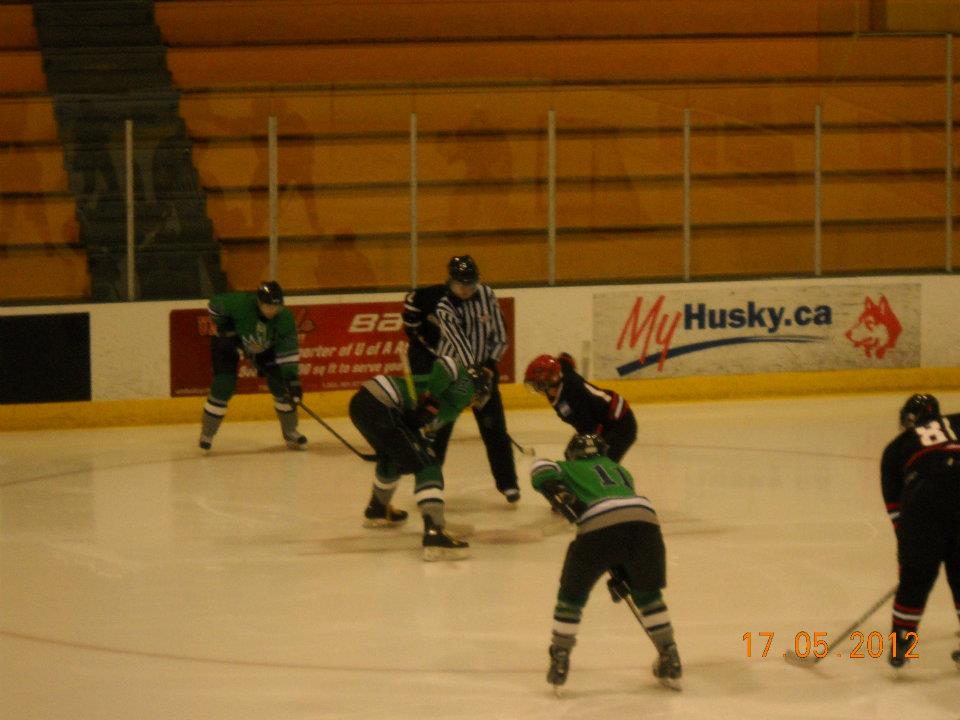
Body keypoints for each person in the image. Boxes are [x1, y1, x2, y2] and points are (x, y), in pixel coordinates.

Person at [530, 433, 682, 691]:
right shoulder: (621, 470)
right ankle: (670, 654)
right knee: (647, 594)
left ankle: (560, 656)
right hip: (645, 522)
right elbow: (622, 520)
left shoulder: (568, 467)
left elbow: (540, 467)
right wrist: (621, 569)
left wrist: (556, 490)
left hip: (598, 524)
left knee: (571, 596)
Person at [402, 254, 520, 503]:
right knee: (438, 431)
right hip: (451, 376)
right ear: (450, 282)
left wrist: (488, 366)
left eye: (470, 283)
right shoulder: (444, 306)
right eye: (460, 284)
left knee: (495, 429)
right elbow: (458, 342)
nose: (466, 289)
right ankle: (429, 484)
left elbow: (500, 335)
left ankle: (508, 483)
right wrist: (472, 375)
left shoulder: (487, 295)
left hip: (484, 373)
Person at [349, 355, 489, 561]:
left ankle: (377, 509)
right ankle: (435, 532)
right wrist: (430, 395)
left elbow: (423, 430)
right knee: (428, 465)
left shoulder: (450, 411)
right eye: (478, 396)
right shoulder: (463, 386)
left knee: (394, 458)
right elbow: (446, 363)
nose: (474, 402)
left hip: (364, 404)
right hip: (382, 404)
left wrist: (416, 431)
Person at [880, 393, 960, 669]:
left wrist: (912, 553)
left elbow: (895, 507)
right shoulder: (957, 422)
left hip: (924, 501)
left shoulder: (896, 447)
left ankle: (902, 643)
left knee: (916, 577)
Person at [198, 280, 305, 452]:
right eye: (268, 306)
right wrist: (227, 328)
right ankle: (207, 433)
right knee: (224, 384)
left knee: (282, 386)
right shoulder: (239, 303)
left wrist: (292, 379)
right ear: (259, 302)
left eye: (276, 307)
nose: (272, 311)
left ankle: (291, 431)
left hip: (264, 347)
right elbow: (213, 306)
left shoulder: (284, 318)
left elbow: (288, 350)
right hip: (227, 342)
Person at [524, 352, 637, 462]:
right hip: (605, 418)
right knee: (574, 455)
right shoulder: (561, 373)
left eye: (538, 384)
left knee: (601, 464)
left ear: (549, 380)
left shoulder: (572, 398)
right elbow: (566, 359)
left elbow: (591, 428)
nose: (538, 389)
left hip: (620, 424)